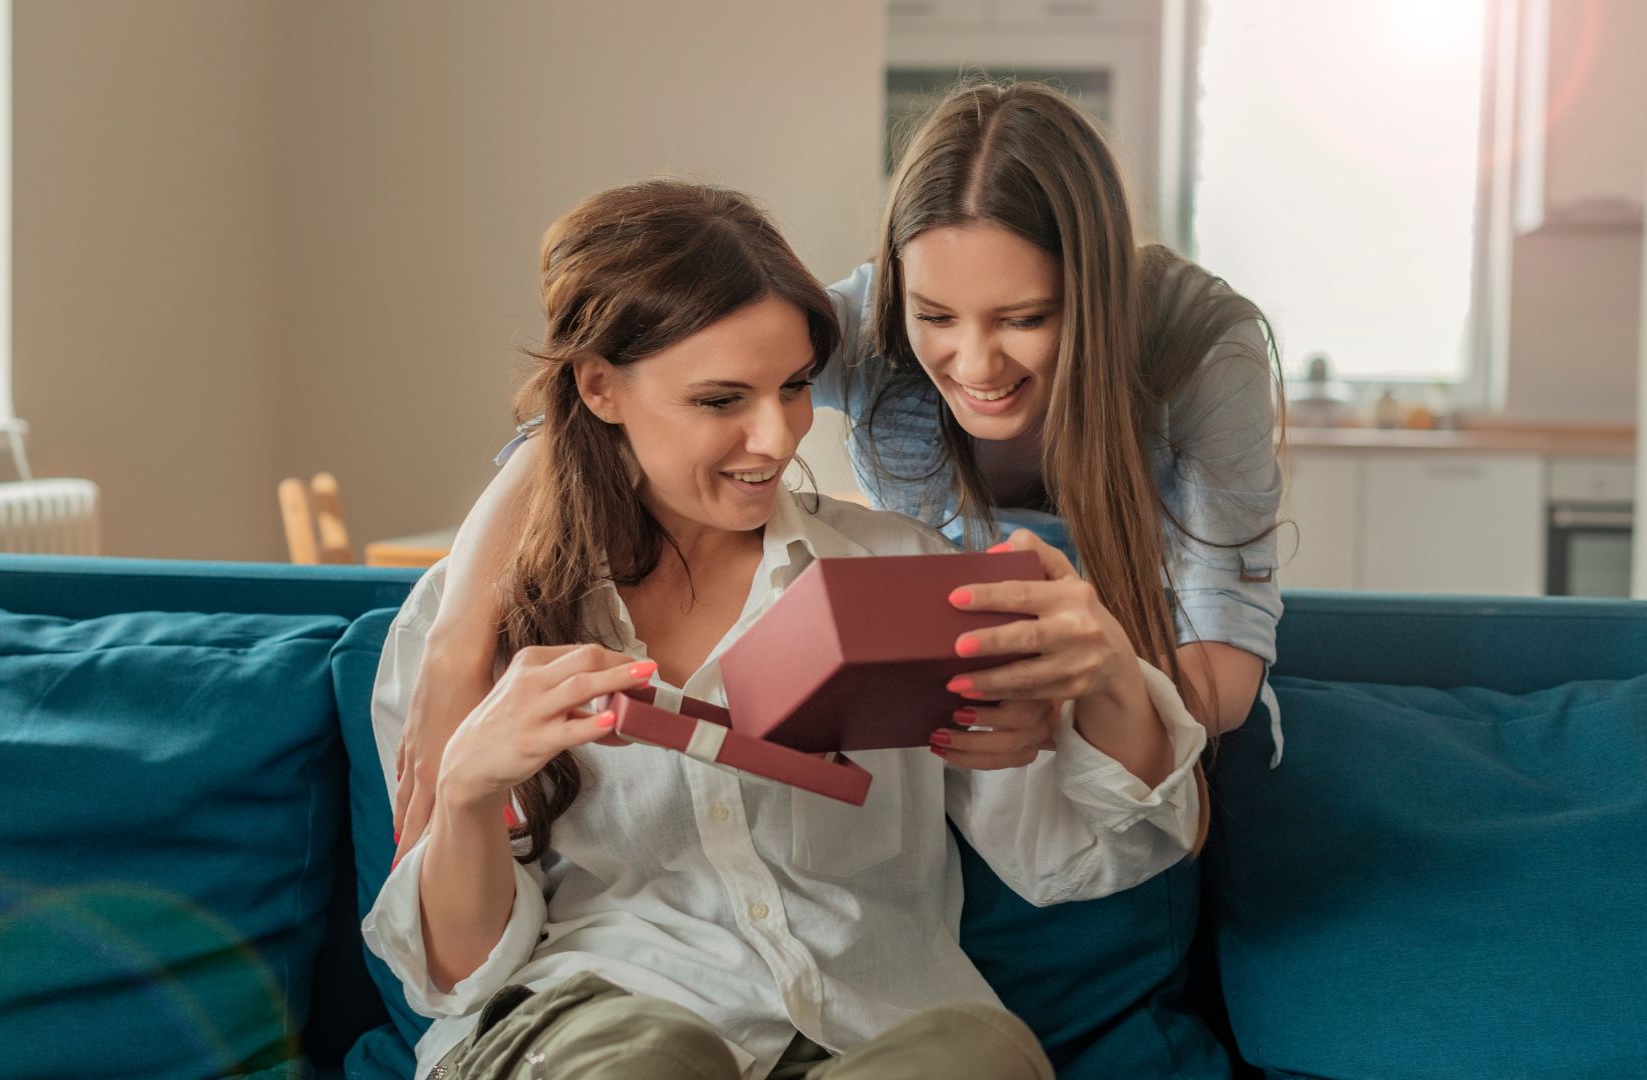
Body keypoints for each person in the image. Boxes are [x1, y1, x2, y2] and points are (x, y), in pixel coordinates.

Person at [365, 179, 1208, 1080]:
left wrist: (1109, 672)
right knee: (651, 1058)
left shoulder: (900, 575)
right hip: (590, 1028)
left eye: (796, 387)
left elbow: (1080, 856)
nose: (776, 438)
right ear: (601, 387)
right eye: (722, 401)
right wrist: (463, 794)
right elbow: (452, 976)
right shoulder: (471, 625)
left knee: (984, 1054)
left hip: (874, 1035)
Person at [390, 77, 1284, 856]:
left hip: (1133, 696)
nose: (973, 365)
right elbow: (606, 412)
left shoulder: (1197, 349)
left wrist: (1067, 709)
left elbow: (1222, 684)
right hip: (971, 697)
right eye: (937, 316)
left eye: (1024, 318)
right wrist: (457, 640)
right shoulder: (869, 324)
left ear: (1093, 292)